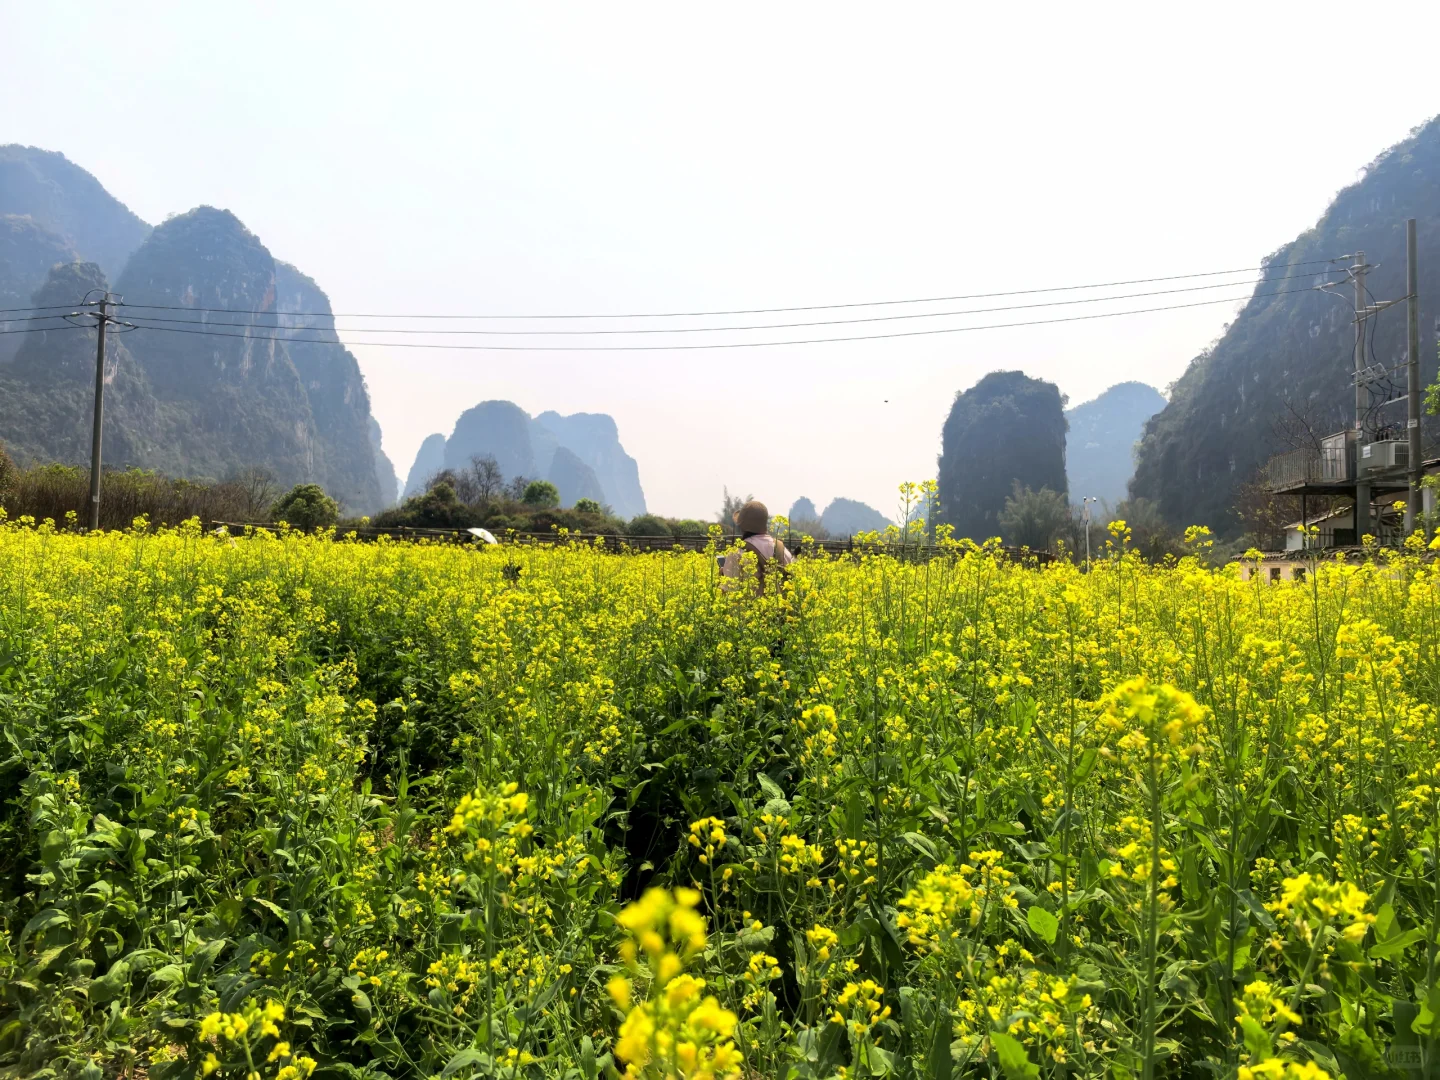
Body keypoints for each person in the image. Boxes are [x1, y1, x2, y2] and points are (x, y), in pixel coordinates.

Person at [720, 500, 794, 594]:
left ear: (742, 526)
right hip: (778, 607)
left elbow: (728, 592)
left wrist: (722, 575)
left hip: (747, 608)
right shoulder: (783, 550)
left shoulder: (737, 553)